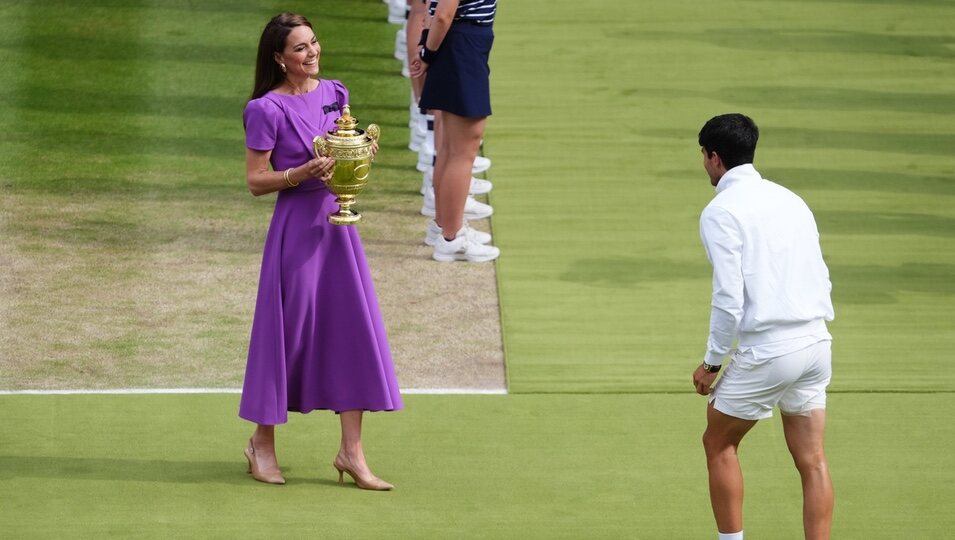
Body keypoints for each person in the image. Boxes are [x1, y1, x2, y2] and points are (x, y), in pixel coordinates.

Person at [239, 12, 402, 490]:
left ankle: (352, 453)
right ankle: (261, 445)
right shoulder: (265, 109)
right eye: (300, 49)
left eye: (313, 43)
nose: (311, 53)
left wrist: (360, 157)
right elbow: (254, 181)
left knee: (350, 331)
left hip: (339, 229)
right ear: (279, 58)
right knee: (287, 334)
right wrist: (302, 173)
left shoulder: (336, 93)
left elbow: (344, 150)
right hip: (297, 231)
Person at [691, 114, 835, 539]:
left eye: (703, 156)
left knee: (718, 443)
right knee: (813, 460)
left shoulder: (720, 211)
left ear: (715, 158)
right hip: (816, 342)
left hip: (771, 350)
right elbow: (819, 271)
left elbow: (729, 298)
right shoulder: (791, 199)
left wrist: (712, 363)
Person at [410, 0, 500, 263]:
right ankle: (452, 238)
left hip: (460, 40)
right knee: (463, 149)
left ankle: (444, 227)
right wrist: (427, 53)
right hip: (460, 43)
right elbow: (442, 15)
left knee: (450, 148)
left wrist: (427, 47)